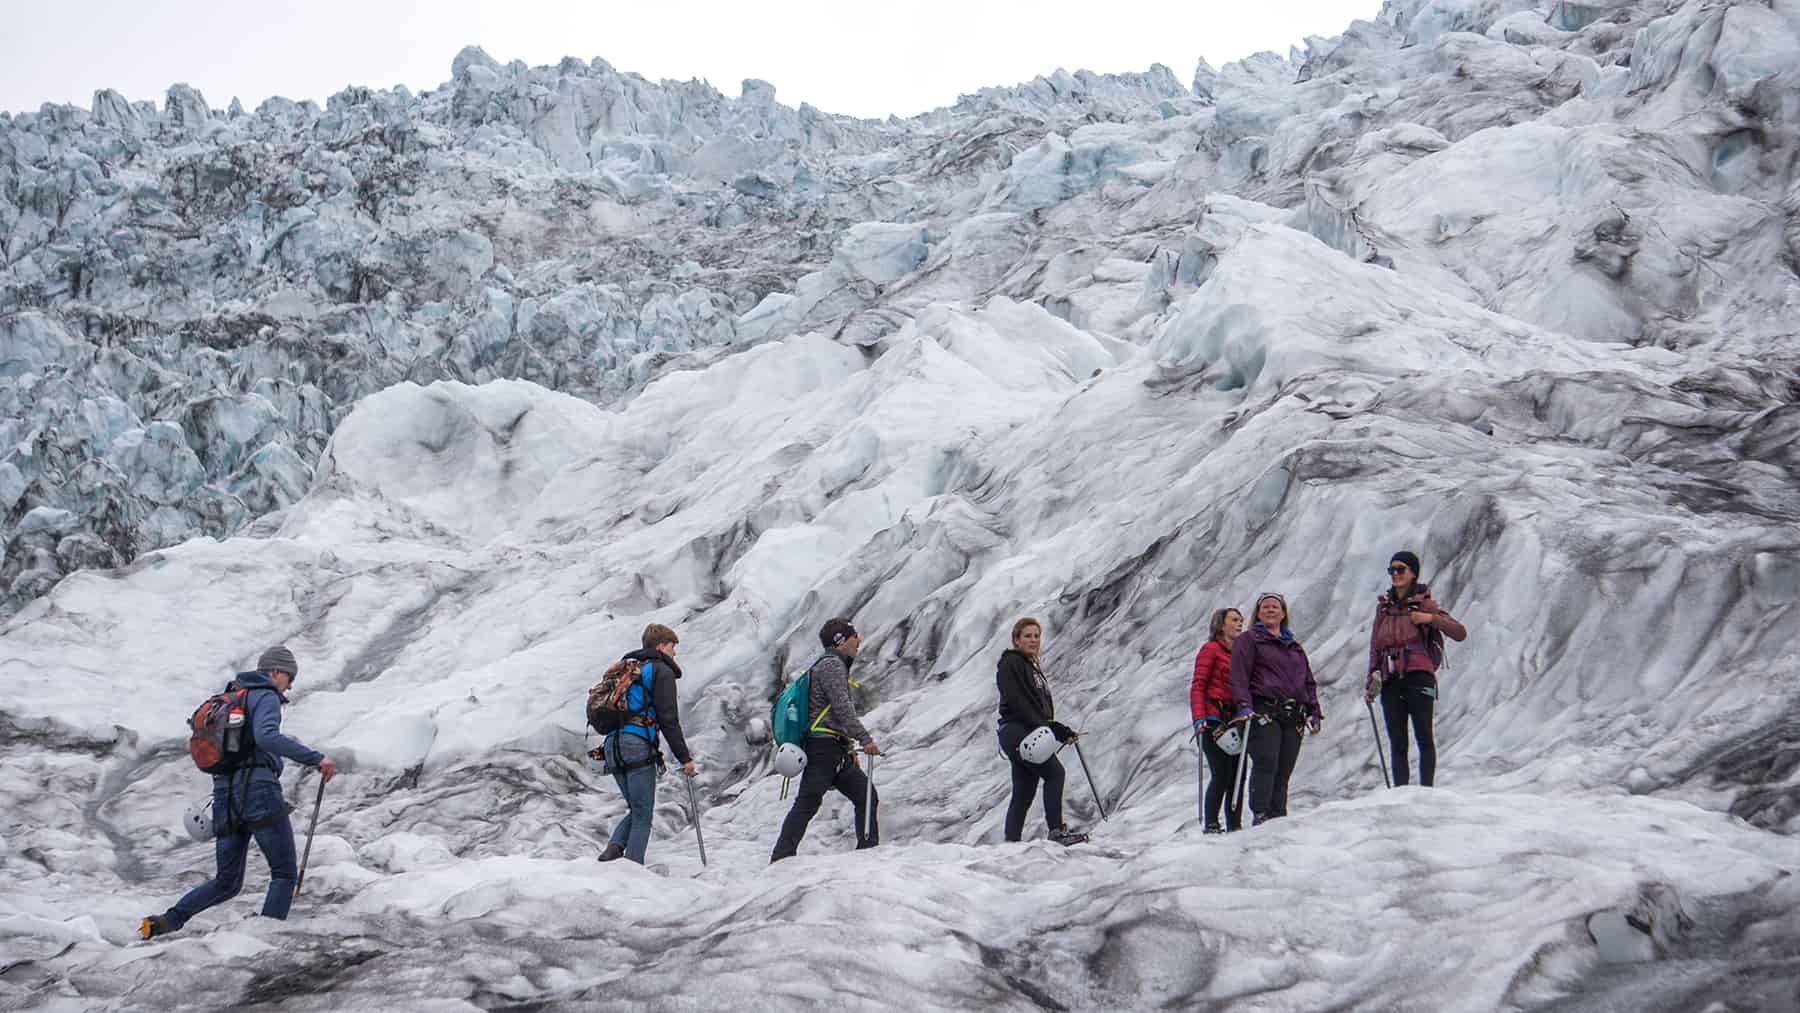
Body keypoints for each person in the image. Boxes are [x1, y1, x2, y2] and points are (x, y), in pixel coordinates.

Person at [140, 646, 337, 939]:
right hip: (259, 792)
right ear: (274, 672)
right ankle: (264, 942)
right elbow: (267, 736)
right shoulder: (266, 694)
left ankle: (165, 923)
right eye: (289, 677)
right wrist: (315, 758)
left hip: (225, 796)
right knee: (284, 875)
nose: (290, 684)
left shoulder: (235, 696)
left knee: (227, 882)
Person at [770, 618, 882, 862]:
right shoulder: (832, 666)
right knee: (808, 803)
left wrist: (850, 748)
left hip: (833, 749)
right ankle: (781, 858)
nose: (858, 640)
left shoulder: (829, 665)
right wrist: (865, 740)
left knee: (865, 795)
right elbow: (843, 710)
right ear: (840, 641)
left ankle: (868, 853)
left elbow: (834, 713)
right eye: (854, 636)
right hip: (824, 750)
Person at [1364, 551, 1468, 787]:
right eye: (1392, 570)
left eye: (1401, 569)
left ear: (1413, 573)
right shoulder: (1384, 609)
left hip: (1419, 677)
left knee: (1423, 737)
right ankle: (1402, 795)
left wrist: (1430, 619)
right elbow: (1375, 647)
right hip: (1390, 679)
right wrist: (1371, 680)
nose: (1396, 574)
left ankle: (1426, 794)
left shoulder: (1426, 604)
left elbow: (1459, 632)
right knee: (1397, 742)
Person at [598, 623, 696, 864]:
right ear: (661, 646)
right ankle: (632, 869)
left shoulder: (629, 669)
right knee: (643, 814)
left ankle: (613, 850)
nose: (675, 653)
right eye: (673, 647)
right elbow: (668, 719)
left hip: (612, 745)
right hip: (637, 743)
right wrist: (685, 758)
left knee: (637, 809)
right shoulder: (661, 670)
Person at [1228, 593, 1322, 825]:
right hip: (1263, 710)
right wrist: (1243, 706)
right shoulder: (1249, 640)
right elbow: (1239, 675)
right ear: (1258, 613)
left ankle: (1278, 817)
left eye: (1275, 607)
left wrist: (1314, 710)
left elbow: (1307, 681)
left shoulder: (1294, 647)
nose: (1270, 610)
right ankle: (1261, 814)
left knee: (1283, 768)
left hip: (1293, 714)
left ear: (1283, 614)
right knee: (1266, 761)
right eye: (1265, 607)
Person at [995, 618, 1086, 846]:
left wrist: (1056, 728)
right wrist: (1050, 727)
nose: (1033, 640)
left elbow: (1035, 707)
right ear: (1016, 640)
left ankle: (1010, 843)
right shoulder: (1011, 664)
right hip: (1018, 730)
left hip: (1025, 730)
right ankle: (1056, 832)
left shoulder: (1028, 666)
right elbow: (1018, 702)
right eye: (1027, 636)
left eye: (1036, 636)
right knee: (1055, 773)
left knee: (1024, 791)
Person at [1190, 607, 1245, 833]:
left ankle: (1234, 824)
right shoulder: (1211, 649)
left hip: (1233, 720)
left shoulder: (1240, 655)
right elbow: (1198, 685)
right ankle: (1211, 823)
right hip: (1212, 720)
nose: (1240, 623)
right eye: (1234, 620)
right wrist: (1199, 719)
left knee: (1236, 775)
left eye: (1241, 620)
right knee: (1221, 772)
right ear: (1221, 626)